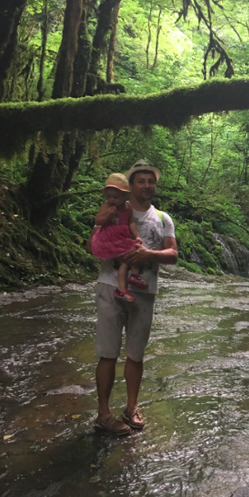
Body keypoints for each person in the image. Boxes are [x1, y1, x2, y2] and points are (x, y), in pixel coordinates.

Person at [89, 160, 178, 436]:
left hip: (144, 291)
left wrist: (148, 254)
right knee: (108, 353)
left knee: (136, 355)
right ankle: (104, 414)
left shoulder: (163, 218)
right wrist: (117, 250)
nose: (147, 186)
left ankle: (131, 407)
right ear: (130, 186)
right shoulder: (114, 208)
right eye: (141, 181)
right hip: (109, 287)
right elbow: (92, 244)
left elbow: (173, 254)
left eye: (151, 181)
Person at [91, 173, 147, 303]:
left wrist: (137, 236)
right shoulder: (106, 206)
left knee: (132, 253)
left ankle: (129, 281)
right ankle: (125, 285)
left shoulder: (128, 207)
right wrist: (108, 215)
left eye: (115, 197)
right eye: (109, 196)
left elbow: (131, 223)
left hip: (122, 238)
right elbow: (98, 221)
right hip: (109, 238)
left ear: (124, 196)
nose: (112, 200)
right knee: (126, 258)